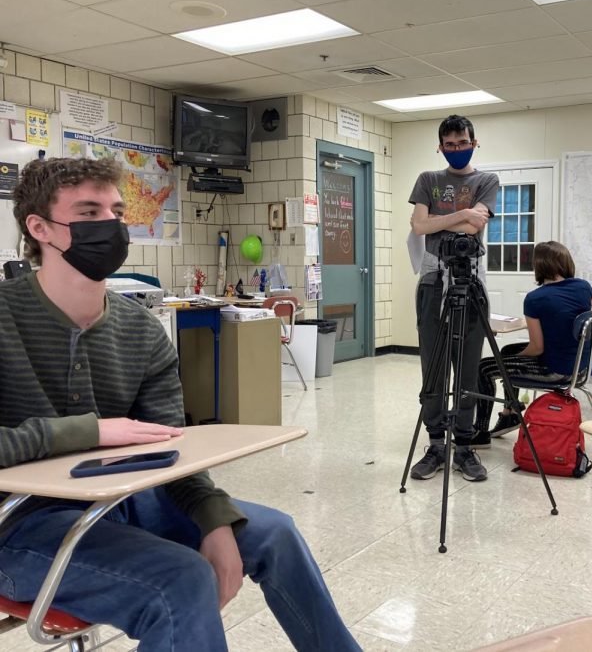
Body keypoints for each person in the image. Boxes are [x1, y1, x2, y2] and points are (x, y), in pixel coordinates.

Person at [1, 158, 360, 651]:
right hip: (20, 529)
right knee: (182, 580)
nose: (111, 224)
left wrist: (212, 517)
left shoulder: (141, 330)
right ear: (40, 227)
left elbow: (174, 449)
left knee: (277, 533)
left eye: (117, 211)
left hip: (122, 502)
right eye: (89, 212)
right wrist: (90, 432)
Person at [408, 115, 499, 482]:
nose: (457, 149)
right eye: (450, 144)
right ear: (440, 146)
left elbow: (476, 227)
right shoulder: (428, 180)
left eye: (462, 142)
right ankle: (434, 444)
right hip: (432, 280)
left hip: (469, 280)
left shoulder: (487, 181)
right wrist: (463, 213)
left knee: (466, 366)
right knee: (433, 365)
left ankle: (463, 446)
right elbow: (418, 226)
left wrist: (441, 219)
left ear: (474, 142)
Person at [475, 241, 592, 438]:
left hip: (557, 372)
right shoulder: (584, 287)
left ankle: (479, 432)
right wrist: (511, 359)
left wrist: (516, 360)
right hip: (579, 366)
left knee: (484, 368)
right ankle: (510, 413)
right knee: (506, 352)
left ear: (539, 265)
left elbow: (537, 348)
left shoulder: (536, 298)